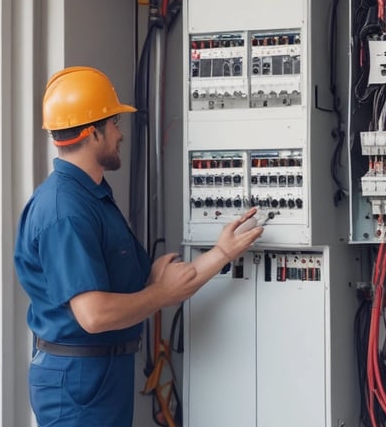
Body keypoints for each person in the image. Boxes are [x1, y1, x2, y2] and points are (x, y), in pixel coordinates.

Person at [14, 66, 262, 427]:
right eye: (114, 123)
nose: (120, 134)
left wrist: (222, 253)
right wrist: (159, 293)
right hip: (80, 381)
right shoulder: (64, 211)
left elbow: (157, 292)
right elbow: (95, 314)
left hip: (101, 373)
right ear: (92, 132)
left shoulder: (90, 196)